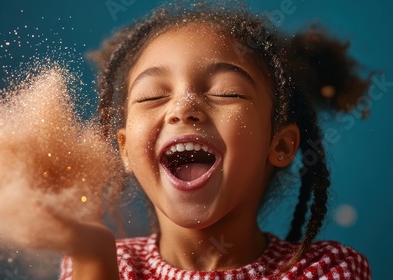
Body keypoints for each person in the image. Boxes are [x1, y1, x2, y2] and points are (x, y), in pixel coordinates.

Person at [22, 1, 372, 279]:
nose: (183, 108)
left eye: (226, 92)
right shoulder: (103, 263)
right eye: (151, 96)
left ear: (280, 145)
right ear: (125, 149)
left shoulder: (326, 268)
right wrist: (93, 254)